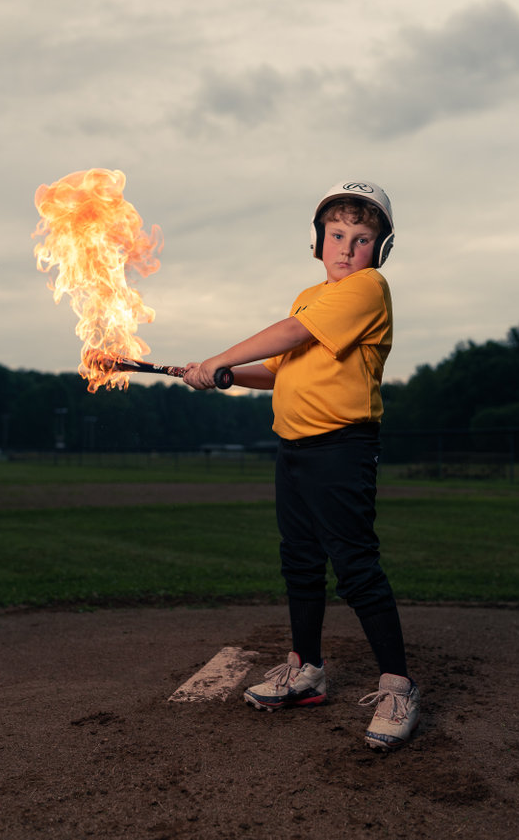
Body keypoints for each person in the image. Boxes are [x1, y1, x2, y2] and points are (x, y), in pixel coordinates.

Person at [183, 180, 420, 750]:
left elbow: (289, 334)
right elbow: (283, 366)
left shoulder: (368, 288)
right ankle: (306, 669)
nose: (345, 247)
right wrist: (228, 374)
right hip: (294, 446)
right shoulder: (310, 296)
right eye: (336, 235)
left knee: (356, 566)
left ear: (379, 250)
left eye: (361, 239)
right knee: (301, 562)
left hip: (341, 445)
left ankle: (397, 686)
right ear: (318, 241)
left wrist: (221, 356)